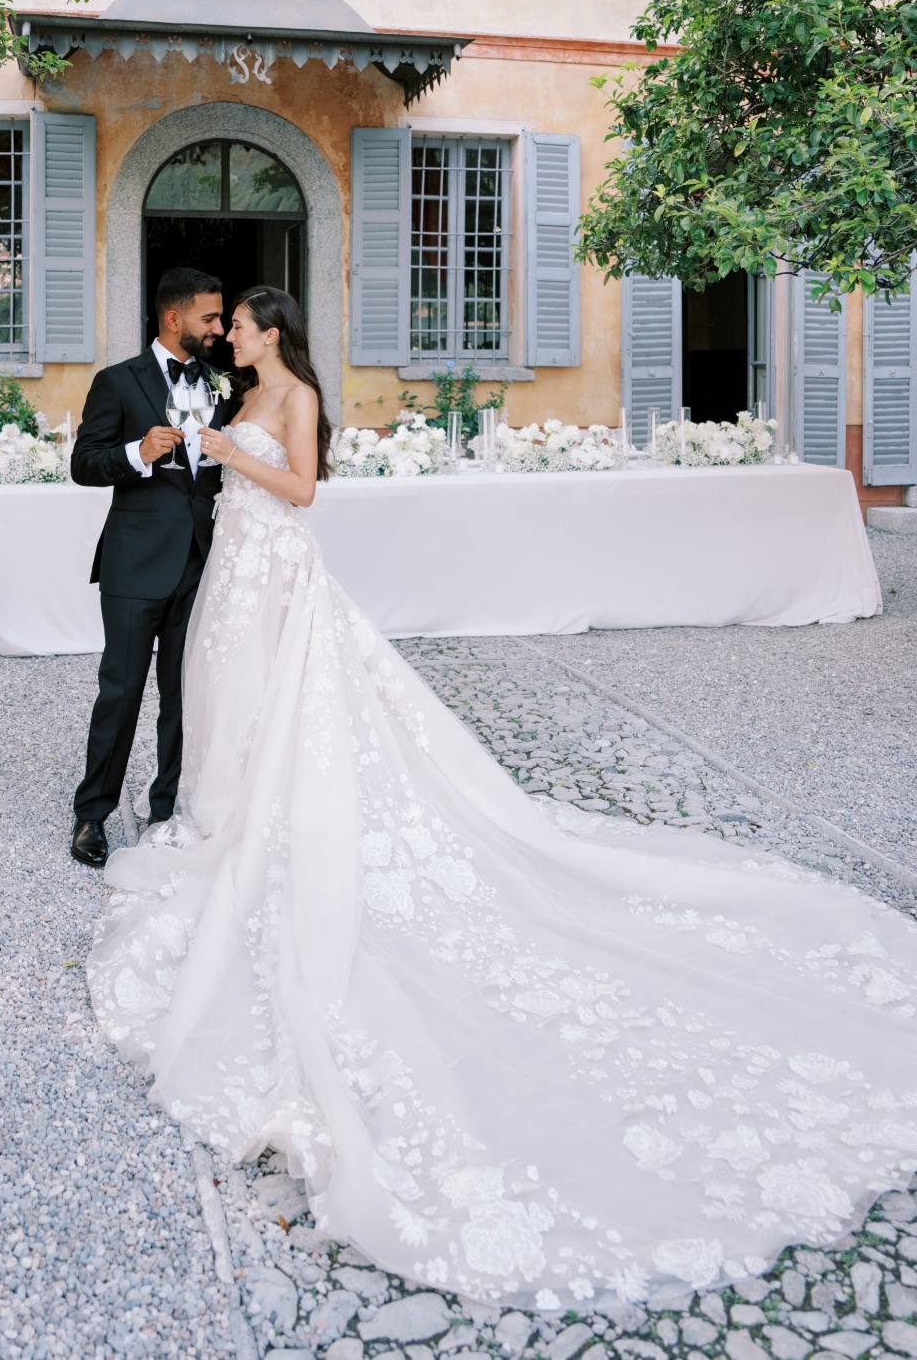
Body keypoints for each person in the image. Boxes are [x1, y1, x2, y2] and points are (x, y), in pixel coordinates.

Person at [86, 285, 917, 1311]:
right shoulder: (235, 385)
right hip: (237, 573)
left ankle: (264, 821)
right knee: (228, 702)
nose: (232, 336)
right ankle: (223, 812)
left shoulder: (291, 391)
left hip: (278, 564)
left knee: (281, 710)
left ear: (271, 330)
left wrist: (227, 454)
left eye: (243, 325)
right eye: (231, 328)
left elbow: (302, 491)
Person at [68, 266, 231, 869]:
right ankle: (92, 813)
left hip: (202, 558)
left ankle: (168, 806)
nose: (218, 329)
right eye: (209, 318)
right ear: (174, 318)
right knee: (122, 690)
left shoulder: (219, 382)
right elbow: (84, 463)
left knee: (184, 693)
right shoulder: (118, 382)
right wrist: (138, 453)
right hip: (135, 563)